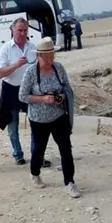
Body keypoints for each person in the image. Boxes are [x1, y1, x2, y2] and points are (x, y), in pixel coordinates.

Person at [19, 36, 81, 198]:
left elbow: (67, 87)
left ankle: (70, 183)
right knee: (39, 150)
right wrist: (43, 99)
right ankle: (35, 173)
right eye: (46, 58)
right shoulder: (30, 72)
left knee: (66, 149)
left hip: (59, 116)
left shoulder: (58, 68)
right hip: (38, 120)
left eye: (52, 57)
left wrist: (61, 97)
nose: (49, 61)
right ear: (38, 56)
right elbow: (22, 96)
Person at [0, 16, 50, 168]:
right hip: (10, 90)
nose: (22, 33)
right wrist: (15, 65)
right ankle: (18, 155)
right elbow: (0, 73)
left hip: (29, 90)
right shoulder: (6, 49)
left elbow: (40, 69)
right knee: (13, 126)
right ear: (12, 30)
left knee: (36, 123)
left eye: (25, 30)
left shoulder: (33, 47)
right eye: (19, 30)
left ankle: (37, 156)